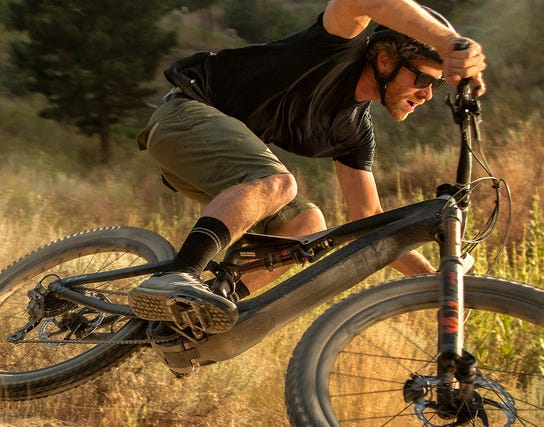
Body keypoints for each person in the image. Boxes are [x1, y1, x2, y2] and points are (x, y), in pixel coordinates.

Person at [128, 0, 486, 334]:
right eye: (423, 79)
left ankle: (192, 317)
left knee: (307, 227)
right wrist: (450, 42)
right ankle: (178, 276)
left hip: (209, 163)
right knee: (279, 183)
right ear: (384, 60)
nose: (427, 94)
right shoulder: (334, 51)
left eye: (437, 85)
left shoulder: (355, 132)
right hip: (182, 116)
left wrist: (433, 280)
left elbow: (369, 220)